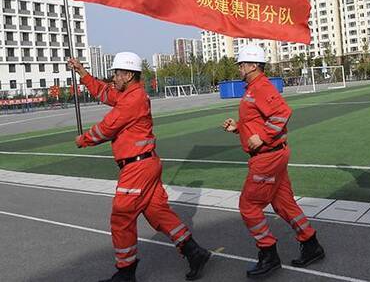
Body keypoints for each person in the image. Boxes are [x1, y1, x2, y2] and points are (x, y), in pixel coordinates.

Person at [68, 53, 210, 282]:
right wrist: (83, 73)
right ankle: (194, 252)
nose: (113, 77)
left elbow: (108, 127)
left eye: (116, 73)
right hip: (146, 164)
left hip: (137, 168)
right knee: (158, 213)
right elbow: (105, 92)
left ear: (129, 74)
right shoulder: (129, 95)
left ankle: (126, 273)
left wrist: (83, 139)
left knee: (121, 217)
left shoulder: (132, 99)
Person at [222, 44, 324, 278]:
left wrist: (265, 136)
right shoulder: (252, 88)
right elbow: (257, 122)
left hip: (267, 157)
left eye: (242, 64)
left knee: (248, 206)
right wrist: (239, 129)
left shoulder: (260, 86)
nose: (239, 67)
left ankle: (269, 254)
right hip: (272, 154)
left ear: (254, 66)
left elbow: (282, 112)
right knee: (284, 203)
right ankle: (311, 244)